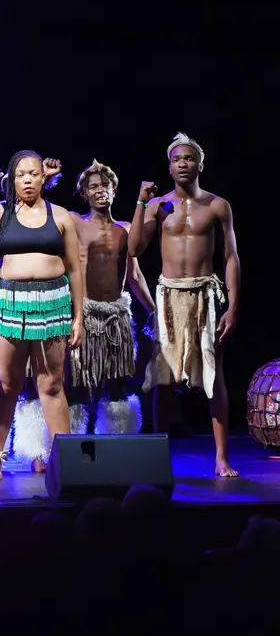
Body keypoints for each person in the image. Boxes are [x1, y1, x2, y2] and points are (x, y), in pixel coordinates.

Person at [0, 150, 85, 481]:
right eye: (21, 174)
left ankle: (67, 459)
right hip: (7, 303)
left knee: (51, 385)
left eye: (33, 173)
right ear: (12, 180)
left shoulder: (60, 215)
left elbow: (75, 269)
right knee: (6, 385)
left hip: (53, 303)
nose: (27, 179)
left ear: (43, 178)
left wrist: (78, 318)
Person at [129, 133, 240, 477]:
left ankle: (221, 457)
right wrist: (141, 203)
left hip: (204, 294)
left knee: (213, 374)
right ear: (169, 166)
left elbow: (231, 255)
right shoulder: (159, 205)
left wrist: (233, 306)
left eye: (188, 159)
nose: (182, 164)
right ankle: (158, 454)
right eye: (176, 160)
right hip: (169, 295)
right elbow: (134, 248)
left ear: (199, 164)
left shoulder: (217, 205)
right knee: (163, 376)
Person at [69, 159, 154, 434]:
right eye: (93, 186)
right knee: (79, 383)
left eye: (105, 185)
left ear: (114, 190)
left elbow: (135, 275)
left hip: (116, 315)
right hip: (84, 314)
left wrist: (154, 310)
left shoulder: (125, 229)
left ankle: (117, 443)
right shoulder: (74, 223)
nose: (100, 190)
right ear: (85, 193)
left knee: (116, 384)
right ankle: (71, 447)